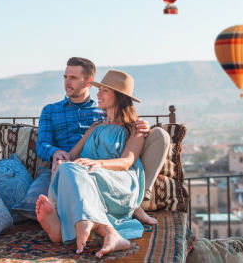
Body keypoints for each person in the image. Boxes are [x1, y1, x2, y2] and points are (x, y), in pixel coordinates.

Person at [36, 57, 170, 225]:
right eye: (65, 77)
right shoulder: (52, 111)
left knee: (160, 135)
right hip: (74, 166)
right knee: (64, 171)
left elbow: (126, 154)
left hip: (104, 169)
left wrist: (142, 127)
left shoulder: (102, 112)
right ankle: (64, 220)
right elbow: (43, 145)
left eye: (73, 78)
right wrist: (56, 154)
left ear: (88, 82)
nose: (67, 82)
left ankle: (136, 201)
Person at [36, 69, 148, 257]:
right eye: (99, 90)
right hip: (88, 178)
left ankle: (68, 227)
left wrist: (98, 164)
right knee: (65, 167)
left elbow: (127, 162)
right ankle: (98, 230)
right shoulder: (96, 127)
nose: (98, 95)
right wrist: (60, 160)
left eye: (104, 91)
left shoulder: (133, 128)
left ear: (119, 97)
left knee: (76, 170)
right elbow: (72, 156)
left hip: (117, 183)